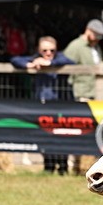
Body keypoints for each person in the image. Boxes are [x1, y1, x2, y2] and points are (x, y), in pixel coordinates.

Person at [12, 36, 76, 174]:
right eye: (45, 50)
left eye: (51, 50)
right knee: (45, 135)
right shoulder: (35, 59)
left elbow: (69, 61)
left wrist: (50, 63)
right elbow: (15, 60)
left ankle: (63, 166)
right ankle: (48, 166)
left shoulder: (60, 59)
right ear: (39, 50)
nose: (48, 53)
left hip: (60, 105)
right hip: (42, 105)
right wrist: (29, 64)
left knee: (61, 136)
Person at [63, 19, 103, 100]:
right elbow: (65, 66)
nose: (98, 38)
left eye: (100, 36)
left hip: (97, 93)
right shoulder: (75, 45)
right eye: (96, 34)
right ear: (88, 30)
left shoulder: (97, 47)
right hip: (81, 94)